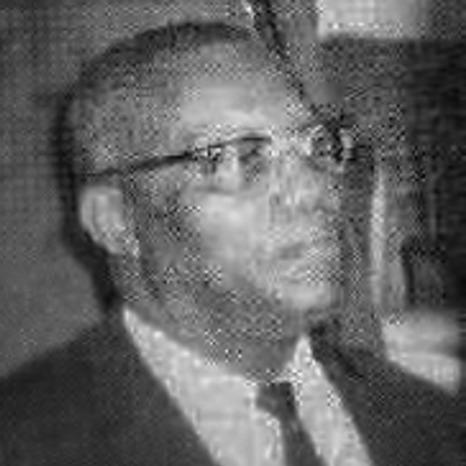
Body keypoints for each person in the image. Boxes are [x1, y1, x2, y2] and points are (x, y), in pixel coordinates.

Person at [0, 21, 462, 466]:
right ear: (117, 220)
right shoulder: (27, 443)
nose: (313, 190)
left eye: (318, 146)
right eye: (240, 157)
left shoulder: (431, 421)